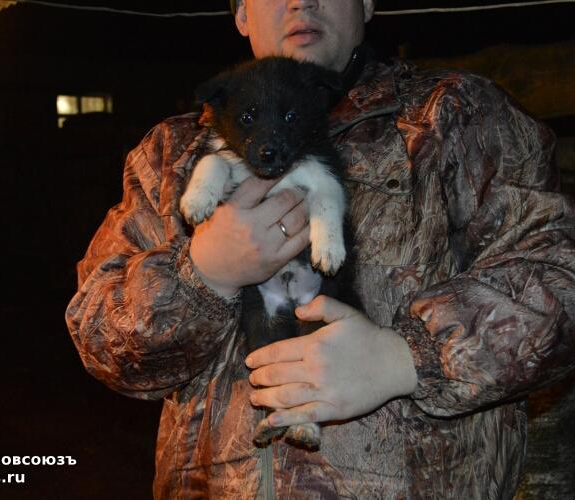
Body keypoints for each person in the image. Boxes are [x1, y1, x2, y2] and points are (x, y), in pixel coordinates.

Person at [66, 0, 575, 497]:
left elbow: (558, 271)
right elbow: (99, 336)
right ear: (240, 12)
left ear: (368, 3)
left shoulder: (455, 117)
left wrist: (405, 359)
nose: (301, 2)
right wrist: (203, 275)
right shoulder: (171, 153)